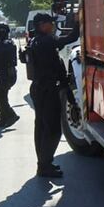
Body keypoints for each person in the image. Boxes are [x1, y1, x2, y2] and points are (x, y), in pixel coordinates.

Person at [25, 12, 79, 178]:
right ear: (42, 25)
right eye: (50, 23)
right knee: (54, 129)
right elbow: (70, 39)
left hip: (39, 88)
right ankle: (44, 165)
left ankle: (43, 163)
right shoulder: (47, 40)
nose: (53, 26)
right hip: (47, 90)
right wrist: (78, 23)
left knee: (41, 127)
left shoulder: (35, 40)